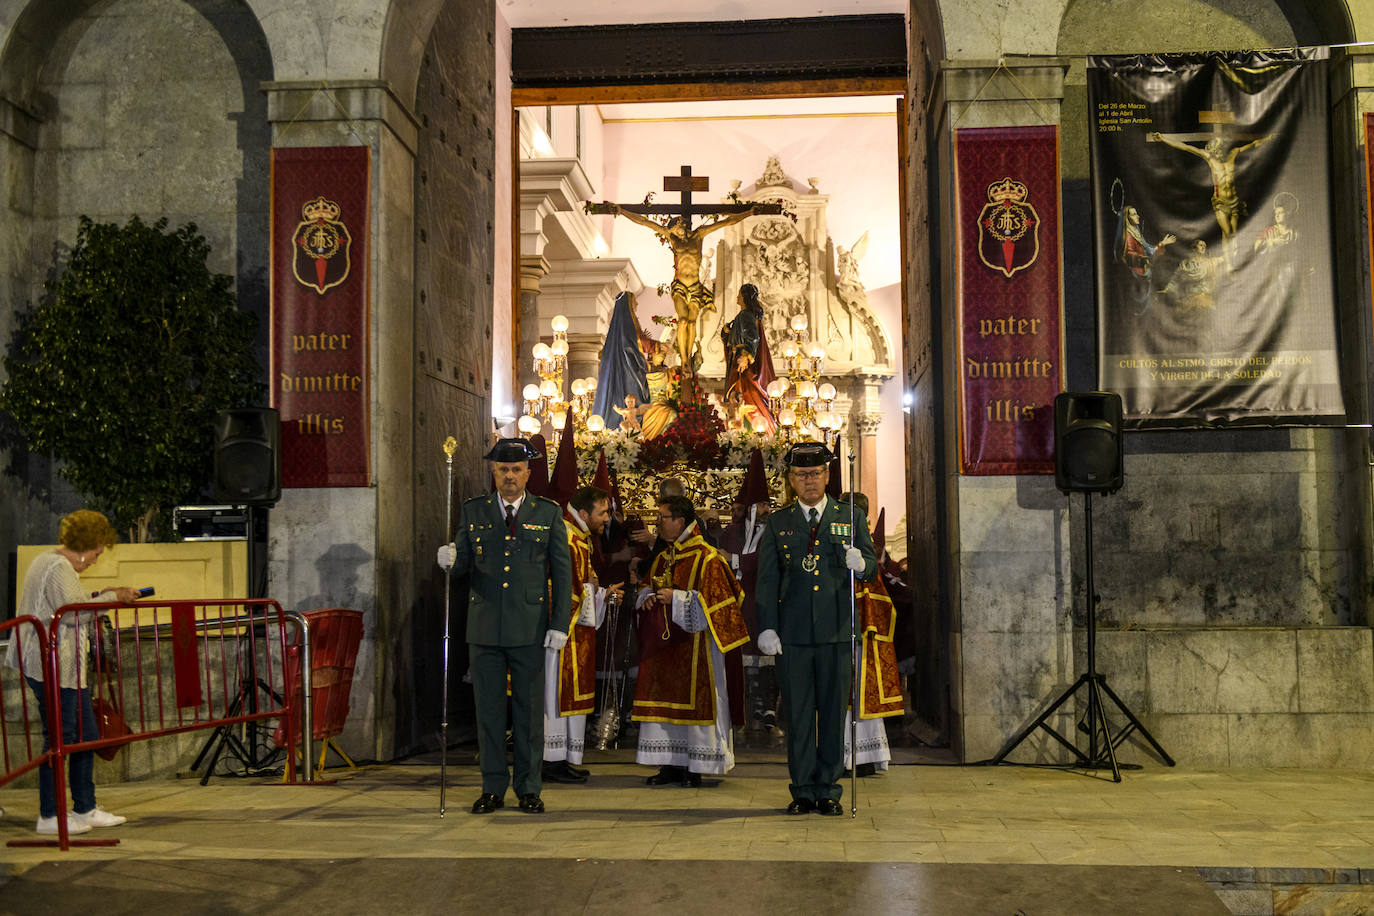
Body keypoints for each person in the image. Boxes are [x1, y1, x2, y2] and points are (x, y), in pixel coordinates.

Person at [437, 437, 572, 815]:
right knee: (490, 713)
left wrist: (559, 623)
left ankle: (528, 787)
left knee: (529, 714)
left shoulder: (547, 513)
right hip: (483, 629)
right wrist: (450, 559)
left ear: (528, 473)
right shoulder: (473, 511)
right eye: (502, 469)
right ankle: (492, 786)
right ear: (493, 472)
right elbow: (463, 565)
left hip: (530, 628)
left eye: (515, 470)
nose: (509, 476)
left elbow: (562, 573)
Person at [753, 442, 878, 815]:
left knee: (833, 714)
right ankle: (803, 789)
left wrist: (862, 564)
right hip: (793, 637)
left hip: (836, 633)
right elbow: (767, 581)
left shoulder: (849, 517)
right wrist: (768, 627)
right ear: (791, 480)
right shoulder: (779, 522)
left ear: (827, 475)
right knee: (800, 715)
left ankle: (829, 789)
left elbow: (871, 564)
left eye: (816, 473)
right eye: (802, 475)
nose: (810, 480)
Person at [4, 510, 138, 835]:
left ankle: (84, 807)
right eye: (97, 552)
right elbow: (71, 613)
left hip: (59, 668)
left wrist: (100, 596)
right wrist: (113, 597)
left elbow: (67, 605)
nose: (95, 559)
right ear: (86, 545)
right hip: (51, 666)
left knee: (85, 737)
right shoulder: (59, 566)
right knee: (61, 740)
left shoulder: (47, 561)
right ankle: (50, 816)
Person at [631, 494, 749, 786]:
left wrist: (678, 598)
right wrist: (646, 598)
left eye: (662, 517)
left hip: (698, 649)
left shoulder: (707, 557)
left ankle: (694, 765)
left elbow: (726, 602)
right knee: (664, 701)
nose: (658, 523)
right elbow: (646, 586)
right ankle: (669, 763)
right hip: (665, 647)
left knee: (697, 700)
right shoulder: (663, 556)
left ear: (680, 521)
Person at [603, 202, 765, 369]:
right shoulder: (673, 239)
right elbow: (646, 223)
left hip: (695, 288)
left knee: (691, 323)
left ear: (682, 224)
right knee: (682, 321)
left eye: (678, 228)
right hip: (680, 286)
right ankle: (686, 360)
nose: (676, 233)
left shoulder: (699, 235)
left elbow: (725, 223)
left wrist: (748, 213)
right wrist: (622, 211)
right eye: (673, 231)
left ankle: (687, 360)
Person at [543, 486, 624, 783]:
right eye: (603, 513)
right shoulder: (565, 537)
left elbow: (581, 585)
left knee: (569, 694)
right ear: (585, 513)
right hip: (562, 633)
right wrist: (592, 591)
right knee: (555, 694)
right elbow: (554, 586)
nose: (606, 520)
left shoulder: (580, 538)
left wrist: (600, 594)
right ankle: (550, 759)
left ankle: (563, 757)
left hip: (576, 633)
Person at [720, 283, 777, 435]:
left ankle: (749, 431)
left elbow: (752, 337)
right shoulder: (743, 316)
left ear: (745, 297)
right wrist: (727, 333)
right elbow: (736, 339)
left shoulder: (745, 315)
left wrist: (746, 356)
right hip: (738, 362)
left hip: (743, 367)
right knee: (739, 399)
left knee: (745, 396)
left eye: (739, 294)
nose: (737, 297)